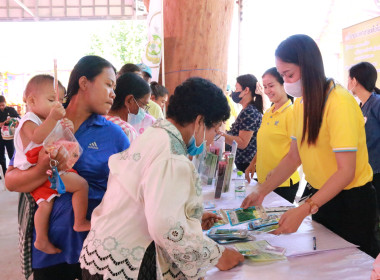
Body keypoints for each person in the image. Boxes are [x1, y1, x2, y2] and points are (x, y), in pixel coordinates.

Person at [80, 77, 244, 279]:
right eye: (216, 128)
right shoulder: (172, 155)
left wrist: (185, 217)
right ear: (200, 121)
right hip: (127, 262)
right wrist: (217, 256)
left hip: (103, 252)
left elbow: (147, 198)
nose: (213, 139)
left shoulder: (155, 135)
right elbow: (164, 226)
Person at [241, 34, 379, 258]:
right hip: (322, 198)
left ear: (308, 67)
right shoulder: (301, 105)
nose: (286, 82)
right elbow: (293, 157)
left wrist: (304, 208)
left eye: (289, 74)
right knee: (325, 262)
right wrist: (262, 190)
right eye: (283, 76)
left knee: (355, 265)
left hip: (351, 202)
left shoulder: (339, 102)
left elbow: (346, 171)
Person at [5, 55, 130, 280]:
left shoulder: (115, 135)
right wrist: (43, 166)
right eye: (109, 84)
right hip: (51, 245)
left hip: (96, 246)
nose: (113, 93)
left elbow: (131, 188)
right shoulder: (42, 125)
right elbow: (12, 181)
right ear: (84, 83)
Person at [14, 74, 90, 255]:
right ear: (31, 100)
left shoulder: (46, 119)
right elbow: (38, 137)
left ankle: (41, 239)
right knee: (81, 185)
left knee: (45, 205)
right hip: (39, 169)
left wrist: (67, 128)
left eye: (61, 101)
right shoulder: (29, 120)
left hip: (45, 168)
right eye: (51, 100)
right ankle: (80, 221)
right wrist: (54, 119)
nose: (58, 105)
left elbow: (56, 137)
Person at [245, 67, 300, 203]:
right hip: (264, 180)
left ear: (283, 85)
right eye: (265, 87)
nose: (267, 90)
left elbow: (295, 153)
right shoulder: (268, 113)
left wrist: (277, 172)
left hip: (283, 183)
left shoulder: (292, 113)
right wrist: (253, 164)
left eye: (271, 85)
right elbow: (264, 144)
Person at [348, 62, 380, 212]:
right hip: (366, 171)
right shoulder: (360, 106)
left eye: (348, 79)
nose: (347, 84)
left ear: (354, 81)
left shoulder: (377, 103)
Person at [218, 74, 263, 172]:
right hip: (243, 163)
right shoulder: (248, 109)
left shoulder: (249, 111)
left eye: (236, 88)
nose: (234, 91)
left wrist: (219, 135)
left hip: (246, 165)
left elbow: (242, 143)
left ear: (246, 90)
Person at [105, 72, 151, 143]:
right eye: (143, 104)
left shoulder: (95, 120)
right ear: (130, 100)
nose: (143, 111)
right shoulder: (126, 131)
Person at [0, 95, 20, 174]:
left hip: (9, 137)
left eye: (3, 105)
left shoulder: (11, 110)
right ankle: (5, 172)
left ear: (5, 103)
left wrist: (13, 121)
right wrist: (1, 124)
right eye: (0, 105)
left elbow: (18, 118)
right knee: (1, 155)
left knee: (12, 154)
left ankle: (14, 171)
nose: (1, 107)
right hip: (0, 136)